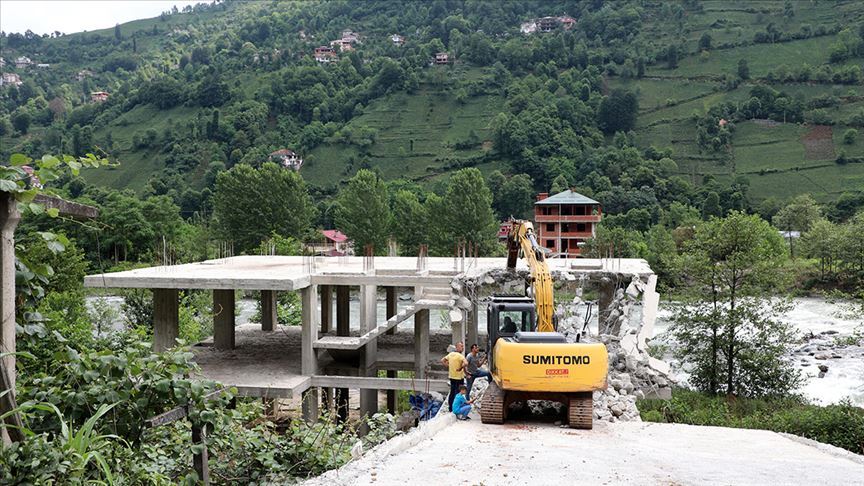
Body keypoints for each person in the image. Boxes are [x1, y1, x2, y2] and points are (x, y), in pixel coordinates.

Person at [441, 342, 468, 412]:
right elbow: (466, 363)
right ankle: (456, 408)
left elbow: (442, 360)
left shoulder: (450, 354)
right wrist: (461, 368)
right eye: (461, 346)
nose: (463, 348)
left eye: (462, 346)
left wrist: (449, 366)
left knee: (452, 392)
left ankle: (450, 408)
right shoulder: (460, 356)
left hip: (452, 377)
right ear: (457, 347)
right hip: (459, 378)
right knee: (458, 393)